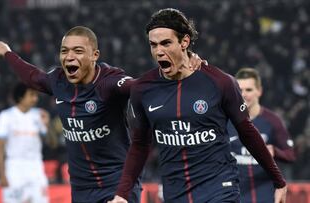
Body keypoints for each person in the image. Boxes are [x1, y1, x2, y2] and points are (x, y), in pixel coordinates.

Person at [0, 26, 204, 202]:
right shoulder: (58, 81)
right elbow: (32, 77)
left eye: (78, 51)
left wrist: (182, 67)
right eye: (64, 51)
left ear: (94, 55)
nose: (69, 57)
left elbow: (138, 86)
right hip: (82, 190)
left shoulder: (108, 82)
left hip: (118, 185)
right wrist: (7, 53)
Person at [108, 8, 287, 203]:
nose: (159, 51)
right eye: (153, 45)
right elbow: (141, 144)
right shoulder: (143, 89)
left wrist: (277, 180)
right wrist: (122, 193)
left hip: (219, 188)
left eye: (166, 43)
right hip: (175, 192)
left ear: (184, 42)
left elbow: (248, 133)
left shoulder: (220, 83)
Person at [228, 67, 295, 203]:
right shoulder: (226, 120)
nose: (244, 95)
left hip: (264, 193)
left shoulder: (272, 121)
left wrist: (274, 151)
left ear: (259, 91)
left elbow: (290, 155)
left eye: (249, 90)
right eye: (240, 90)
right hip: (234, 194)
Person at [0, 82, 50, 203]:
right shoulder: (6, 116)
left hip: (35, 166)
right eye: (32, 95)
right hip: (14, 167)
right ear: (20, 97)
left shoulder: (39, 115)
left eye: (36, 95)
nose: (35, 98)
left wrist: (46, 126)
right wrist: (1, 174)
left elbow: (49, 143)